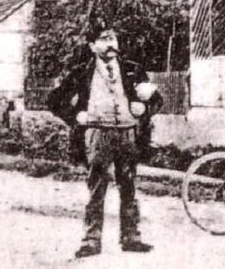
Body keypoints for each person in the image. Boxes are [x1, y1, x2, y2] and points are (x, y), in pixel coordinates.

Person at [47, 20, 163, 258]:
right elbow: (54, 100)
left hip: (128, 134)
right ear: (92, 45)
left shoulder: (132, 69)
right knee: (97, 188)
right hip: (97, 134)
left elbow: (156, 99)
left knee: (129, 186)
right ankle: (91, 240)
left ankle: (131, 237)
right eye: (103, 39)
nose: (110, 44)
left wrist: (144, 108)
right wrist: (75, 115)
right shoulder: (81, 71)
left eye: (112, 39)